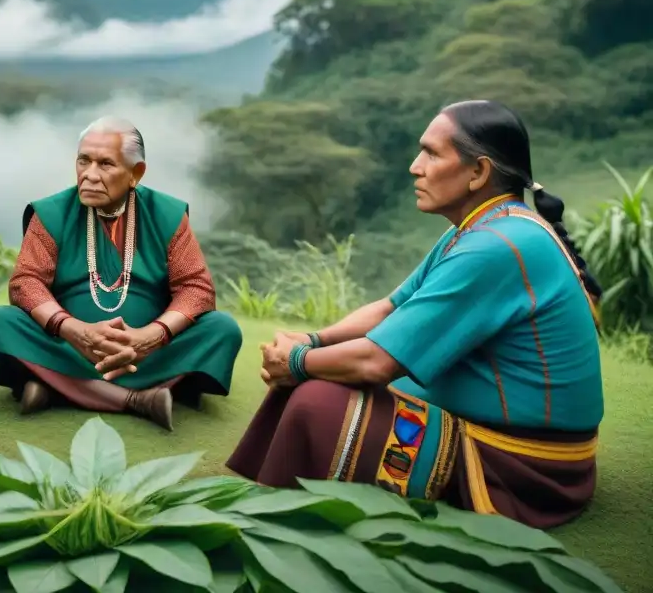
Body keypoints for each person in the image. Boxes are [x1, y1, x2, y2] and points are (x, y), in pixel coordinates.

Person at [226, 100, 604, 530]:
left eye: (431, 153)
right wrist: (313, 340)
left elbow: (376, 362)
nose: (414, 166)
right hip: (502, 433)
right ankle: (268, 499)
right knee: (318, 374)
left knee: (318, 399)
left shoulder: (496, 246)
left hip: (527, 464)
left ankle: (276, 526)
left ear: (478, 172)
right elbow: (390, 307)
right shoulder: (479, 228)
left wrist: (295, 362)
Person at [0, 116, 243, 431]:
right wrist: (73, 330)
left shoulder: (167, 215)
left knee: (222, 329)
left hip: (146, 350)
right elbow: (26, 283)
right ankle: (138, 399)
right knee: (1, 323)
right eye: (83, 161)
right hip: (67, 343)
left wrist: (151, 337)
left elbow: (196, 289)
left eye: (105, 164)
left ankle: (55, 386)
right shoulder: (51, 213)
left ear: (136, 173)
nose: (89, 175)